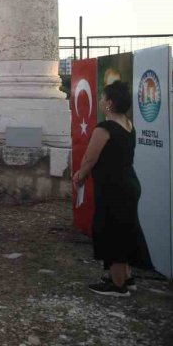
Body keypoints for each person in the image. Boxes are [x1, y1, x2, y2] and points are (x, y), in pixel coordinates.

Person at [73, 81, 153, 297]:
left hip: (113, 187)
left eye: (101, 98)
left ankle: (118, 285)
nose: (99, 101)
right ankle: (125, 276)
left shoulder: (104, 128)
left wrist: (80, 176)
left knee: (113, 231)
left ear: (109, 103)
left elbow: (90, 157)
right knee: (126, 229)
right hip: (128, 182)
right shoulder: (128, 124)